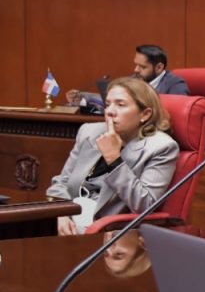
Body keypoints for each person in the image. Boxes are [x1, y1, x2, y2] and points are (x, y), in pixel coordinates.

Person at [47, 77, 178, 236]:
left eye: (120, 105)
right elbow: (61, 182)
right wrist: (62, 213)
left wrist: (114, 159)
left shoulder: (161, 147)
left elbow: (145, 205)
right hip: (67, 221)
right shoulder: (89, 132)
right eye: (108, 104)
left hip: (106, 233)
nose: (109, 111)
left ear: (145, 114)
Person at [66, 44, 190, 109]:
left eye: (142, 67)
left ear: (159, 67)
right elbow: (114, 99)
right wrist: (83, 98)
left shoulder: (176, 85)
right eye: (136, 65)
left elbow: (172, 114)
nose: (135, 70)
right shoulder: (135, 79)